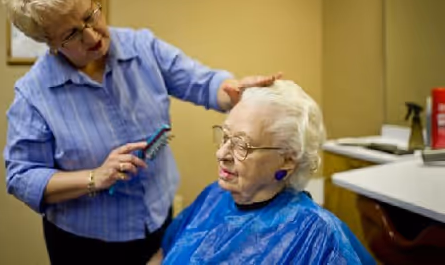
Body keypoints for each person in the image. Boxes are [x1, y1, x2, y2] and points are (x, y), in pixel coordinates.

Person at [0, 0, 280, 265]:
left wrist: (233, 90)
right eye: (70, 35)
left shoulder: (143, 48)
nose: (92, 37)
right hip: (86, 245)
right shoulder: (33, 95)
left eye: (90, 15)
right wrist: (95, 177)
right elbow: (22, 177)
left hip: (158, 223)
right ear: (49, 43)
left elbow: (202, 83)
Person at [153, 80, 376, 264]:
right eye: (225, 136)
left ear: (287, 160)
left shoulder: (316, 235)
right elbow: (163, 255)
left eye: (242, 145)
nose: (221, 154)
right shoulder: (212, 197)